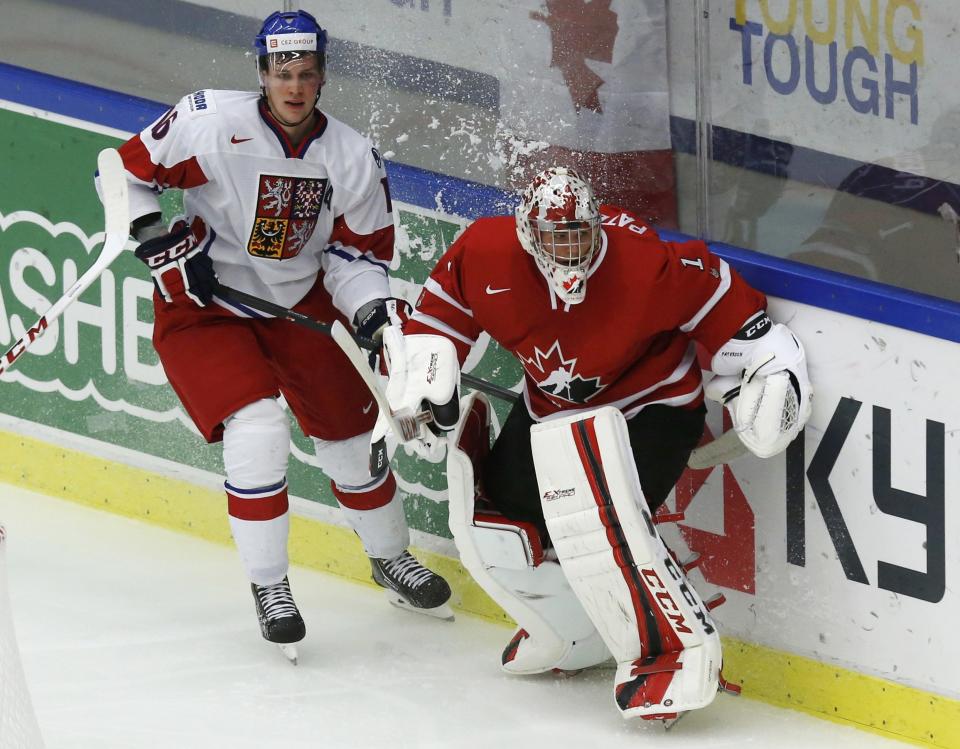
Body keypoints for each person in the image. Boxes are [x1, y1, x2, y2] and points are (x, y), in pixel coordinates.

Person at [374, 167, 812, 721]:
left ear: (597, 225)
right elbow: (436, 326)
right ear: (528, 233)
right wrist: (417, 389)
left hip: (650, 408)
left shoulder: (643, 263)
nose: (570, 249)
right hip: (552, 413)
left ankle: (674, 652)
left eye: (579, 233)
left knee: (605, 524)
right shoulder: (484, 252)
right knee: (505, 511)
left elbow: (738, 316)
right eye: (556, 237)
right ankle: (577, 630)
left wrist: (772, 373)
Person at [97, 10, 452, 661]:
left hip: (301, 301)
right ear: (262, 73)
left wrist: (372, 312)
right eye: (282, 72)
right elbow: (122, 173)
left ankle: (389, 559)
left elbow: (357, 257)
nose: (294, 85)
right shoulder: (209, 122)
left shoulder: (348, 154)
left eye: (306, 73)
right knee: (258, 430)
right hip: (206, 306)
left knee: (351, 442)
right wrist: (158, 240)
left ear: (321, 79)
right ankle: (271, 588)